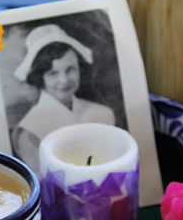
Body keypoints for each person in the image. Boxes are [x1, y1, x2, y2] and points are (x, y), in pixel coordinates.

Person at [11, 24, 116, 170]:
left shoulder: (102, 113)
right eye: (53, 73)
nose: (64, 80)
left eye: (70, 69)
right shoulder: (29, 132)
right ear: (39, 78)